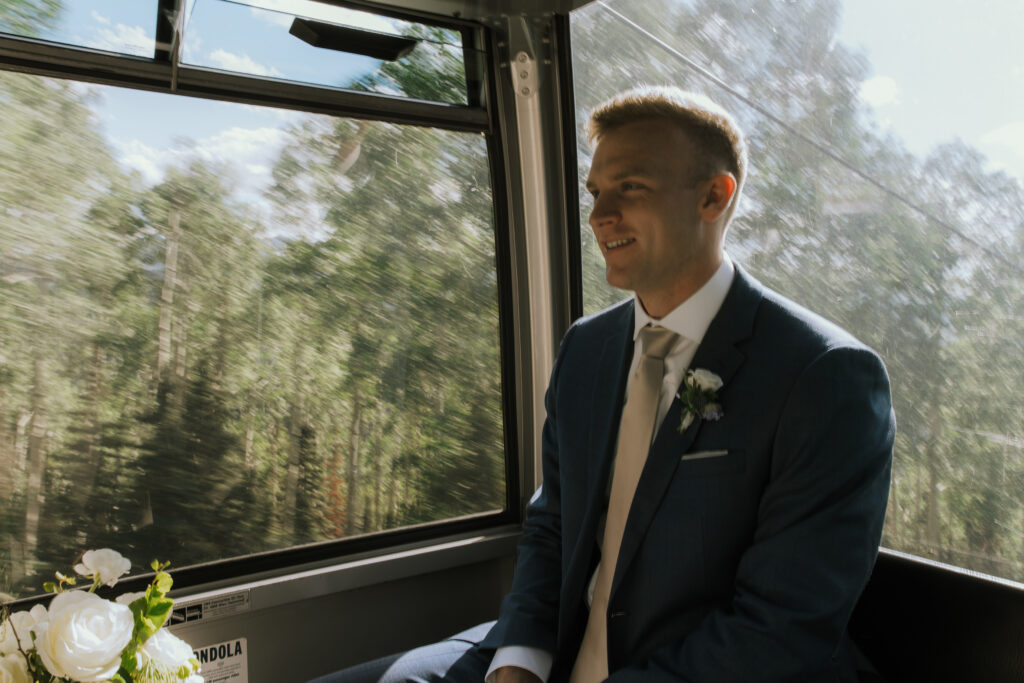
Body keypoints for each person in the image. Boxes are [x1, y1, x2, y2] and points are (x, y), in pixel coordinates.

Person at [310, 86, 894, 683]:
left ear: (714, 197)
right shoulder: (586, 349)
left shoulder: (823, 374)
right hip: (561, 648)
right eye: (595, 193)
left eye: (630, 188)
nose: (598, 215)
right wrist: (520, 662)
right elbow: (553, 526)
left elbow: (779, 630)